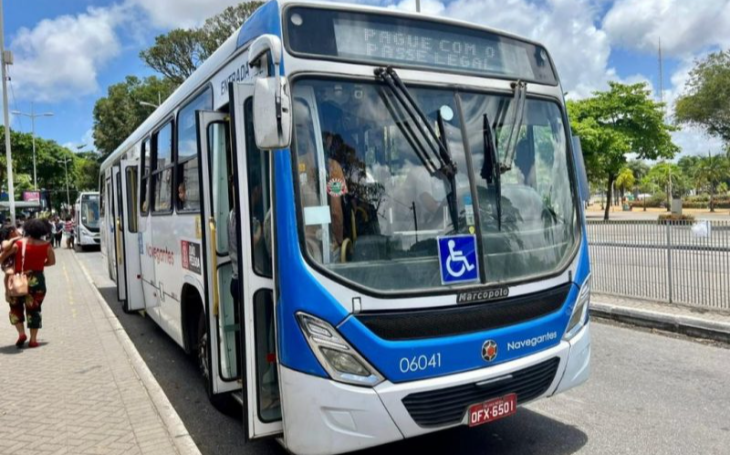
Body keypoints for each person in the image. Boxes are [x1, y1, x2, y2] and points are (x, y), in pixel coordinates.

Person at [2, 219, 55, 348]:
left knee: (15, 307)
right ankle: (33, 340)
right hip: (37, 280)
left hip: (18, 279)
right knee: (34, 310)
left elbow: (2, 257)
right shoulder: (47, 245)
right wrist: (39, 265)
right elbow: (52, 262)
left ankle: (21, 334)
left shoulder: (19, 243)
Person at [0, 226, 21, 299]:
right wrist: (13, 239)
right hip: (8, 263)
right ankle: (8, 292)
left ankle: (11, 292)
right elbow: (5, 246)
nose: (18, 232)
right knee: (9, 274)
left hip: (12, 263)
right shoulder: (5, 241)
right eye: (16, 231)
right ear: (12, 232)